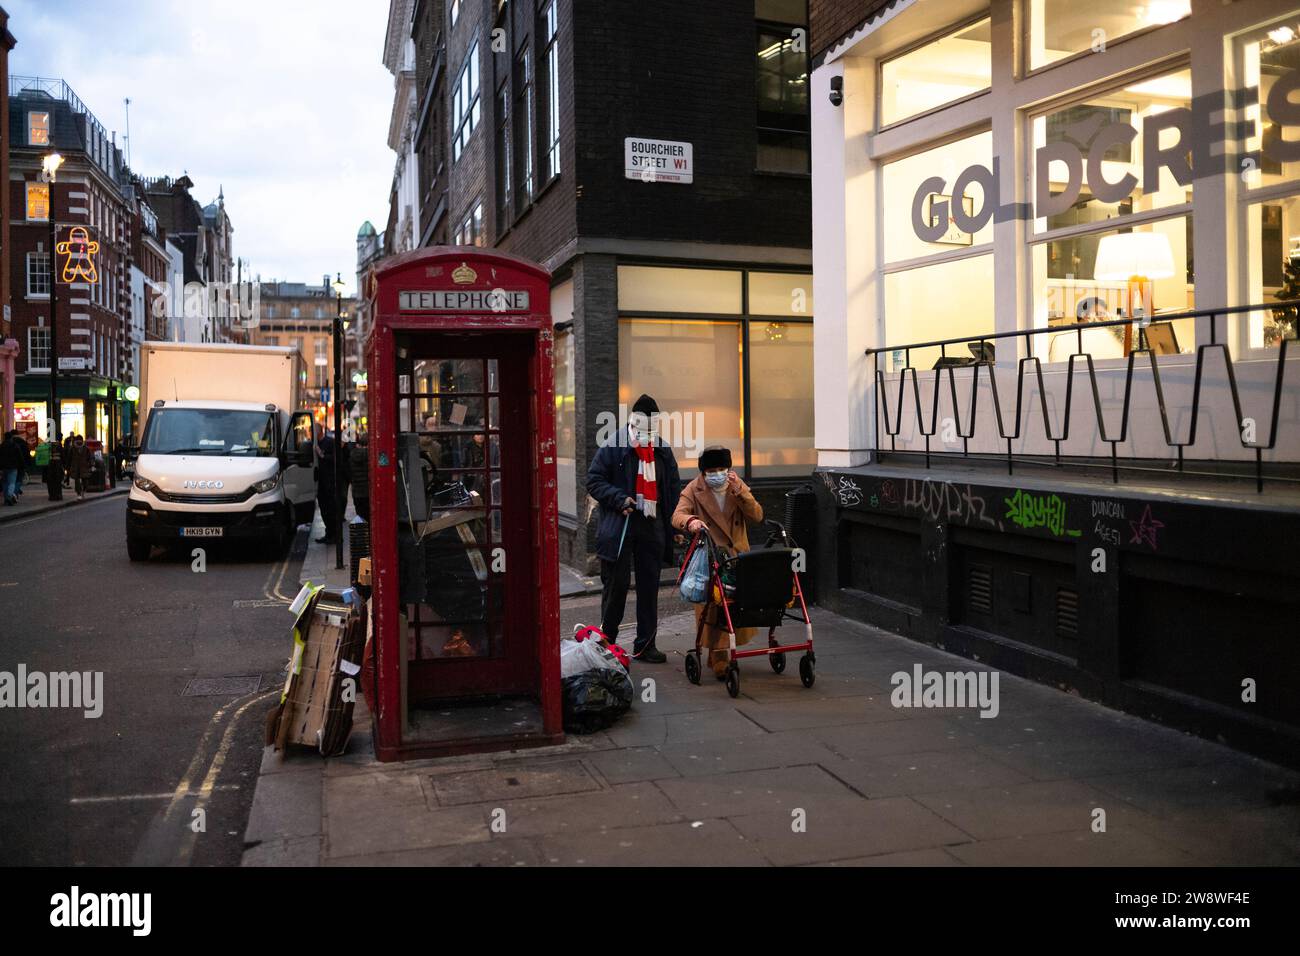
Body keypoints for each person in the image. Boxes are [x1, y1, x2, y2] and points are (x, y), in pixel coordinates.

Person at [586, 394, 681, 663]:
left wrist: (675, 525)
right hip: (621, 525)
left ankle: (645, 646)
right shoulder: (614, 445)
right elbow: (593, 479)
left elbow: (672, 489)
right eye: (642, 431)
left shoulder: (661, 449)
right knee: (616, 586)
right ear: (632, 425)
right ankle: (608, 643)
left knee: (649, 588)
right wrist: (619, 499)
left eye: (651, 432)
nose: (646, 437)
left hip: (652, 526)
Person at [671, 446, 764, 679]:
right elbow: (677, 515)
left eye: (722, 469)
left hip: (737, 556)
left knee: (735, 605)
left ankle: (723, 652)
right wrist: (691, 521)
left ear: (729, 469)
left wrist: (741, 492)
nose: (717, 474)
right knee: (712, 607)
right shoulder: (694, 488)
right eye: (711, 470)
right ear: (703, 472)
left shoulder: (737, 486)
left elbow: (756, 516)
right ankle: (720, 655)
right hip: (710, 557)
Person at [315, 426, 340, 544]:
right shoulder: (313, 444)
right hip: (318, 482)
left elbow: (335, 459)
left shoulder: (329, 442)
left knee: (331, 509)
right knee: (323, 509)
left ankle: (334, 535)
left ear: (319, 432)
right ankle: (328, 533)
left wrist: (322, 455)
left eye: (313, 431)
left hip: (329, 481)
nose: (311, 433)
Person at [66, 434, 94, 500]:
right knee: (77, 481)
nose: (79, 442)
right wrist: (67, 467)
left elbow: (90, 457)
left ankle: (83, 491)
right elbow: (69, 458)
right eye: (77, 441)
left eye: (80, 441)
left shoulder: (85, 448)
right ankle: (79, 494)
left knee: (85, 481)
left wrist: (91, 465)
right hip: (75, 467)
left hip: (84, 467)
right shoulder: (72, 448)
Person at [0, 431, 22, 506]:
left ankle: (6, 498)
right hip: (13, 466)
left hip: (3, 467)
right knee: (12, 482)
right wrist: (21, 465)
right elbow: (19, 456)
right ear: (11, 438)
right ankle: (9, 496)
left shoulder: (1, 446)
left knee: (5, 482)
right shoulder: (15, 445)